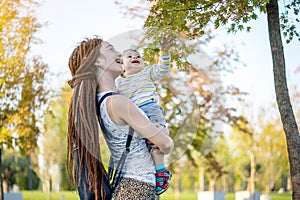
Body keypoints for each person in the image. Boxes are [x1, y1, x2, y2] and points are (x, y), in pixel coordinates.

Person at [67, 37, 174, 200]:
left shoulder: (101, 101)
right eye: (110, 49)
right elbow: (164, 144)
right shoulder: (118, 102)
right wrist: (168, 141)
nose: (118, 53)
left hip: (127, 186)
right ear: (97, 62)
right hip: (138, 187)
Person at [115, 44, 172, 195]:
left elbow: (162, 69)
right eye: (130, 56)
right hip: (134, 115)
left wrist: (164, 51)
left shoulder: (146, 72)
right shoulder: (118, 82)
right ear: (122, 66)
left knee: (156, 142)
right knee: (143, 145)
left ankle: (161, 173)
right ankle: (154, 170)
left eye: (138, 56)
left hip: (150, 108)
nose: (135, 57)